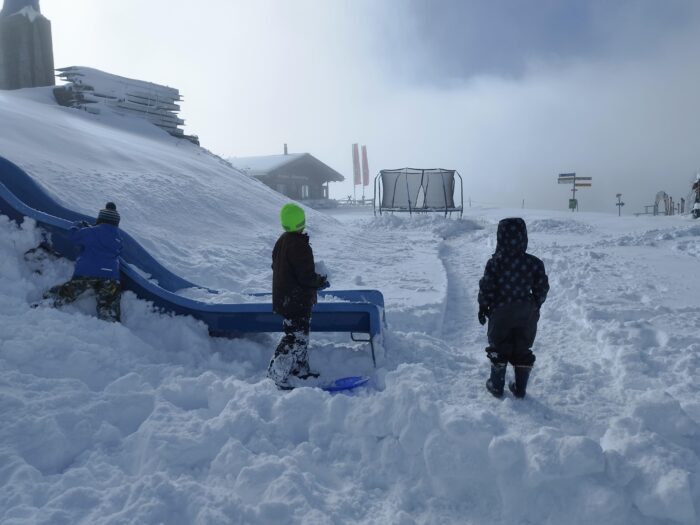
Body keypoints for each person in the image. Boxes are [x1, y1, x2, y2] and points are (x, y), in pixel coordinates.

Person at [477, 218, 549, 399]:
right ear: (524, 237)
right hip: (526, 313)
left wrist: (483, 305)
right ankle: (520, 387)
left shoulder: (495, 263)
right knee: (522, 348)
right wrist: (535, 305)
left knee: (499, 347)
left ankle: (496, 385)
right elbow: (542, 287)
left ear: (500, 237)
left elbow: (487, 286)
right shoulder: (534, 263)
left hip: (500, 312)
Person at [268, 203, 329, 389]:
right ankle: (277, 373)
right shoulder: (300, 246)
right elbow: (306, 276)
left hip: (286, 299)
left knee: (300, 335)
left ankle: (299, 369)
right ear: (302, 223)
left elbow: (275, 266)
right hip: (296, 301)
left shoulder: (282, 241)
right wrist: (320, 281)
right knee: (295, 337)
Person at [43, 202, 123, 322]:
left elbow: (74, 236)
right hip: (110, 275)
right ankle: (109, 315)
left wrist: (77, 225)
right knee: (110, 298)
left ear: (100, 219)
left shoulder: (92, 232)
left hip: (87, 272)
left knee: (71, 289)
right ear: (116, 223)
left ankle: (53, 299)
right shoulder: (118, 238)